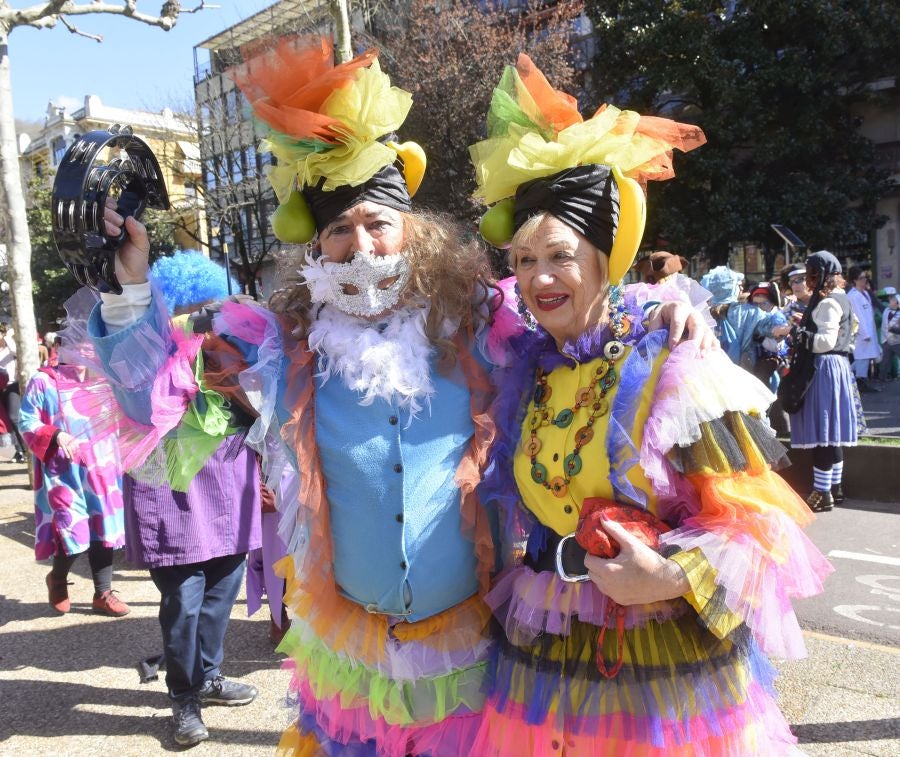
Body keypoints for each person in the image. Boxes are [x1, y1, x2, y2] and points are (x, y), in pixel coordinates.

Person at [75, 39, 714, 755]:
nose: (363, 243)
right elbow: (149, 400)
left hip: (476, 650)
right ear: (316, 247)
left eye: (378, 222)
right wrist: (129, 286)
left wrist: (659, 306)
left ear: (412, 228)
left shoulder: (481, 323)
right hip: (352, 659)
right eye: (340, 229)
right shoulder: (283, 347)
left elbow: (569, 306)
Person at [467, 55, 831, 754]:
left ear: (608, 256)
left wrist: (668, 575)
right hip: (548, 645)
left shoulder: (675, 363)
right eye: (521, 259)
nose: (538, 277)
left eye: (560, 255)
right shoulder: (526, 370)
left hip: (665, 663)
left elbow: (761, 536)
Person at [68, 251, 263, 747]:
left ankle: (210, 674)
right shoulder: (147, 358)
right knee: (183, 600)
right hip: (172, 489)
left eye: (214, 307)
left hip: (227, 482)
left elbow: (265, 393)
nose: (207, 318)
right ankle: (184, 696)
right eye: (196, 309)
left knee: (223, 588)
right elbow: (128, 357)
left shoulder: (236, 353)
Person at [18, 357, 130, 616]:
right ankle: (57, 578)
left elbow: (121, 417)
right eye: (77, 344)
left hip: (103, 469)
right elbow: (26, 421)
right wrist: (56, 434)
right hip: (64, 475)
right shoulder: (43, 380)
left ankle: (103, 593)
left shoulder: (102, 379)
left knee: (104, 529)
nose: (83, 352)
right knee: (74, 530)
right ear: (63, 346)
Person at [787, 251, 859, 512]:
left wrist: (796, 333)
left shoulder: (828, 303)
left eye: (812, 274)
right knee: (833, 433)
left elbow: (824, 342)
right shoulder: (843, 298)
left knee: (824, 432)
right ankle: (836, 488)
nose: (809, 279)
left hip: (824, 367)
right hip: (837, 367)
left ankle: (822, 492)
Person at [846, 266, 882, 392]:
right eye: (861, 278)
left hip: (870, 330)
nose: (865, 280)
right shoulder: (852, 296)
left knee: (867, 357)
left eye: (865, 277)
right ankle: (861, 383)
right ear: (854, 280)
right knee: (862, 358)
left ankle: (848, 374)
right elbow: (857, 316)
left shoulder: (865, 293)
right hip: (861, 333)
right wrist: (865, 333)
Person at [0, 324, 27, 462]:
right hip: (0, 388)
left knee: (13, 417)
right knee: (6, 422)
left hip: (12, 386)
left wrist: (7, 336)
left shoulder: (9, 349)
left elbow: (16, 351)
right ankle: (19, 451)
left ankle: (26, 448)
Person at [879, 287, 900, 380]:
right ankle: (882, 379)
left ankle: (886, 377)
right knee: (886, 362)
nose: (890, 301)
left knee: (886, 361)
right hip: (888, 341)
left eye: (892, 300)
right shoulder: (886, 310)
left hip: (894, 341)